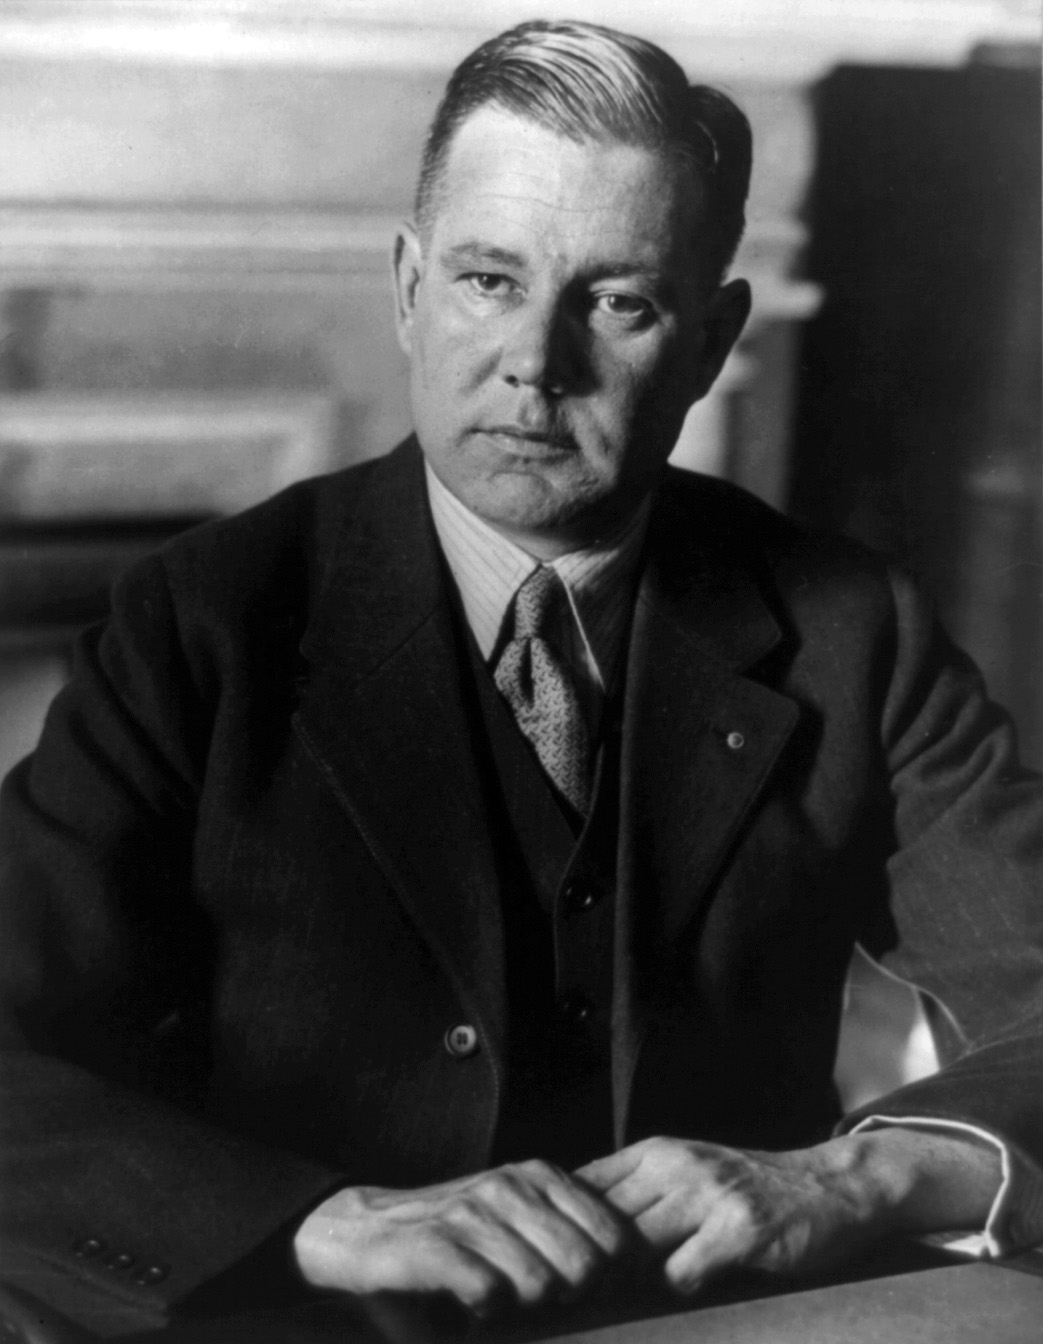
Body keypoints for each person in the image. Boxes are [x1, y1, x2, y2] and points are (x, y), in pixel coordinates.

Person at [1, 17, 1041, 1335]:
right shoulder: (199, 619)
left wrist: (860, 1175)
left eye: (619, 302)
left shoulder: (853, 626)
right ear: (408, 288)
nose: (535, 365)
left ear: (712, 341)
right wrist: (311, 1220)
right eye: (489, 281)